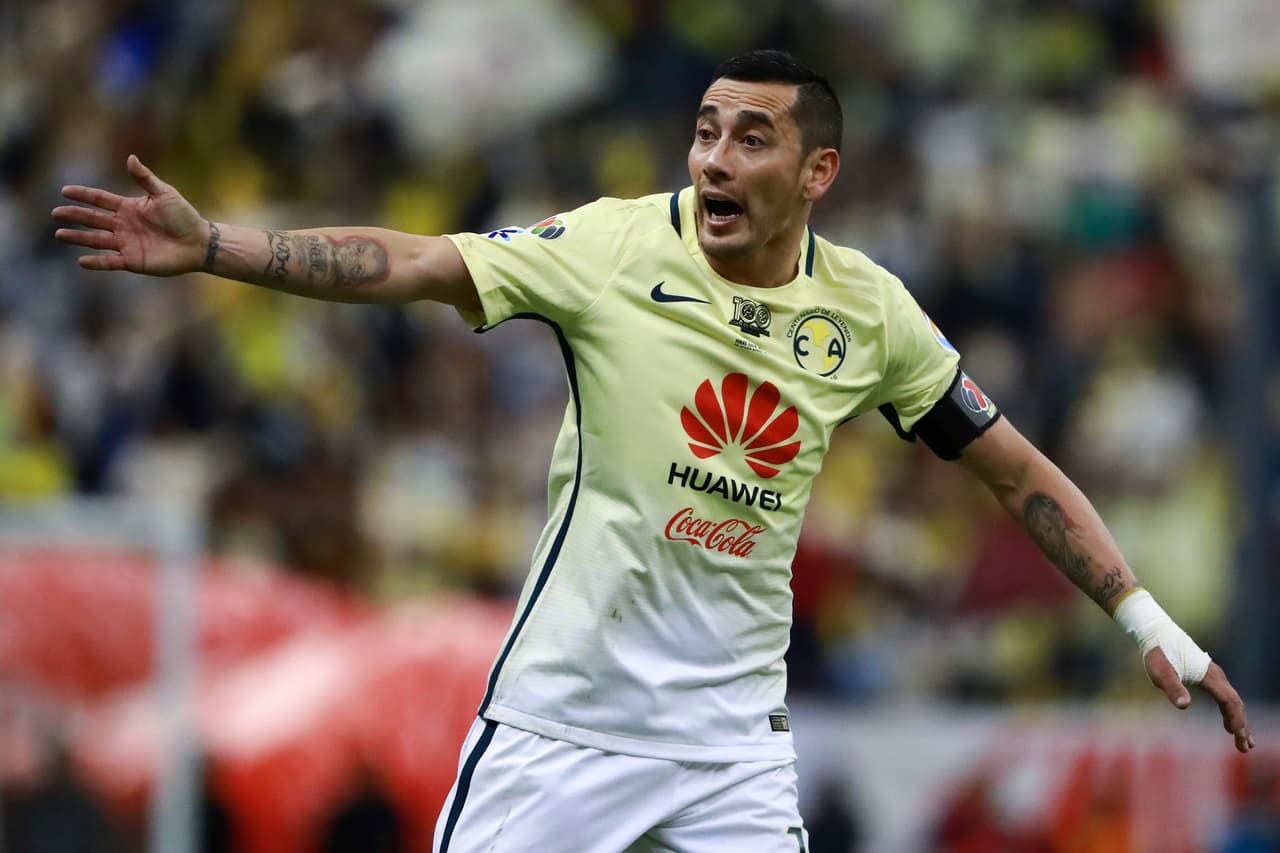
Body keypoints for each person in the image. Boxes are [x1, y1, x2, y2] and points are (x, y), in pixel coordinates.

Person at [53, 49, 1253, 853]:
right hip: (558, 729)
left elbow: (1014, 472)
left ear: (816, 173)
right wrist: (221, 248)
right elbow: (418, 262)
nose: (714, 161)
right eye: (703, 132)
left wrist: (1152, 627)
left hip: (728, 746)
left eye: (750, 140)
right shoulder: (612, 249)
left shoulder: (869, 315)